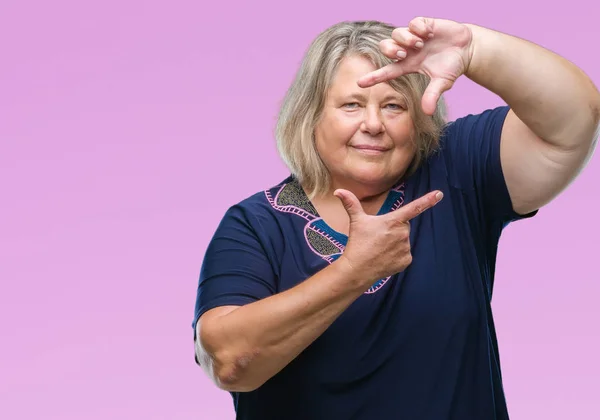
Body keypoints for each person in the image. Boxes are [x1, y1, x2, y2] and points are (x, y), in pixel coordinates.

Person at [192, 17, 600, 419]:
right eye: (351, 105)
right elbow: (229, 361)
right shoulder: (255, 224)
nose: (373, 124)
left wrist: (474, 49)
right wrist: (353, 272)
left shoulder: (455, 169)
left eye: (393, 106)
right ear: (310, 115)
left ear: (419, 118)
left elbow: (575, 118)